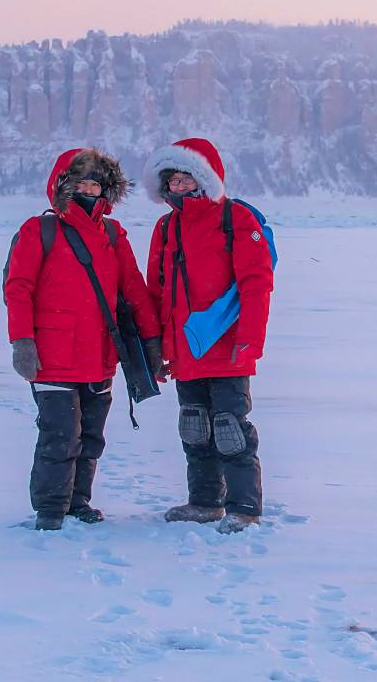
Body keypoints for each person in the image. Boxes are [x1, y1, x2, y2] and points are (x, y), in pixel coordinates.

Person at [4, 148, 162, 530]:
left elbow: (134, 290)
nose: (89, 189)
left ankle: (78, 503)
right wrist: (22, 341)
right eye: (81, 182)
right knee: (60, 435)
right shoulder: (39, 230)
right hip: (52, 355)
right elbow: (18, 288)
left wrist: (152, 341)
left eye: (96, 183)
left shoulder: (112, 233)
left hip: (100, 354)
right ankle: (50, 509)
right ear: (64, 185)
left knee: (90, 437)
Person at [142, 138, 275, 534]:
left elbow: (256, 284)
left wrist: (249, 341)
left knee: (231, 429)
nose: (179, 187)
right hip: (186, 351)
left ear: (204, 178)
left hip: (229, 349)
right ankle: (204, 503)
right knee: (195, 428)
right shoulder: (166, 227)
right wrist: (158, 347)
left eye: (186, 179)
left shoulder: (236, 219)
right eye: (173, 181)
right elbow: (158, 291)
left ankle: (244, 508)